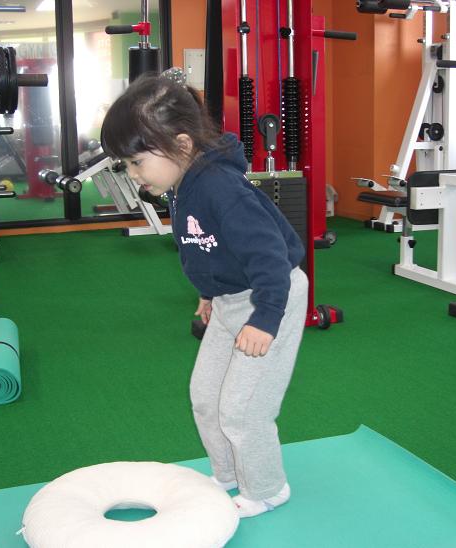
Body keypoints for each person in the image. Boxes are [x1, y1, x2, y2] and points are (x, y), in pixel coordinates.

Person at [101, 73, 308, 518]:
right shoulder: (182, 184)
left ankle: (268, 488)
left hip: (271, 296)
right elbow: (207, 246)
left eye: (137, 162)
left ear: (180, 144)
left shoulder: (220, 187)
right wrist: (209, 293)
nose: (134, 175)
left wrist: (265, 318)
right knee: (205, 395)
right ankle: (230, 473)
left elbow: (271, 256)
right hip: (231, 299)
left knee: (242, 409)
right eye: (127, 165)